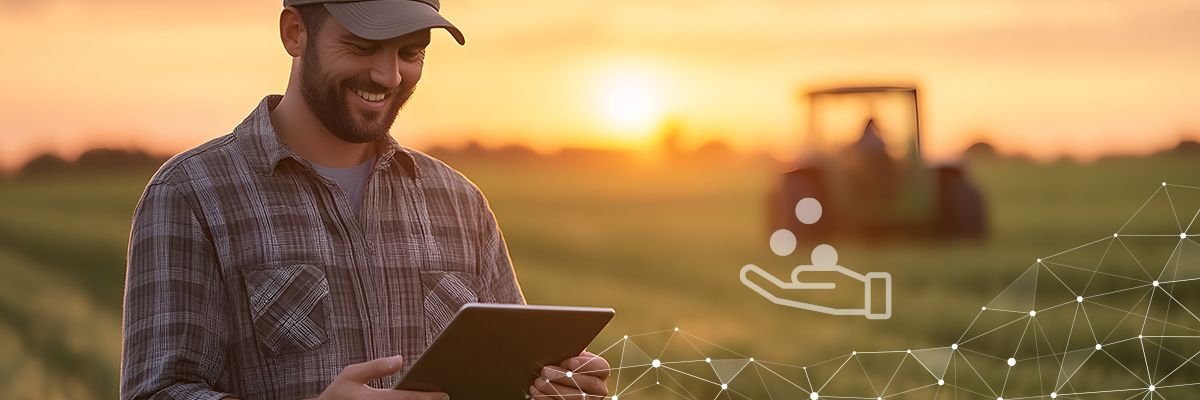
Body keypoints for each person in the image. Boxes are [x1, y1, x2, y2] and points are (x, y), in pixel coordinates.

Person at [120, 1, 610, 399]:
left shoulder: (460, 203)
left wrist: (554, 389)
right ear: (295, 33)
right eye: (363, 47)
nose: (389, 76)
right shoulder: (190, 195)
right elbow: (159, 392)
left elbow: (511, 379)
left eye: (411, 53)